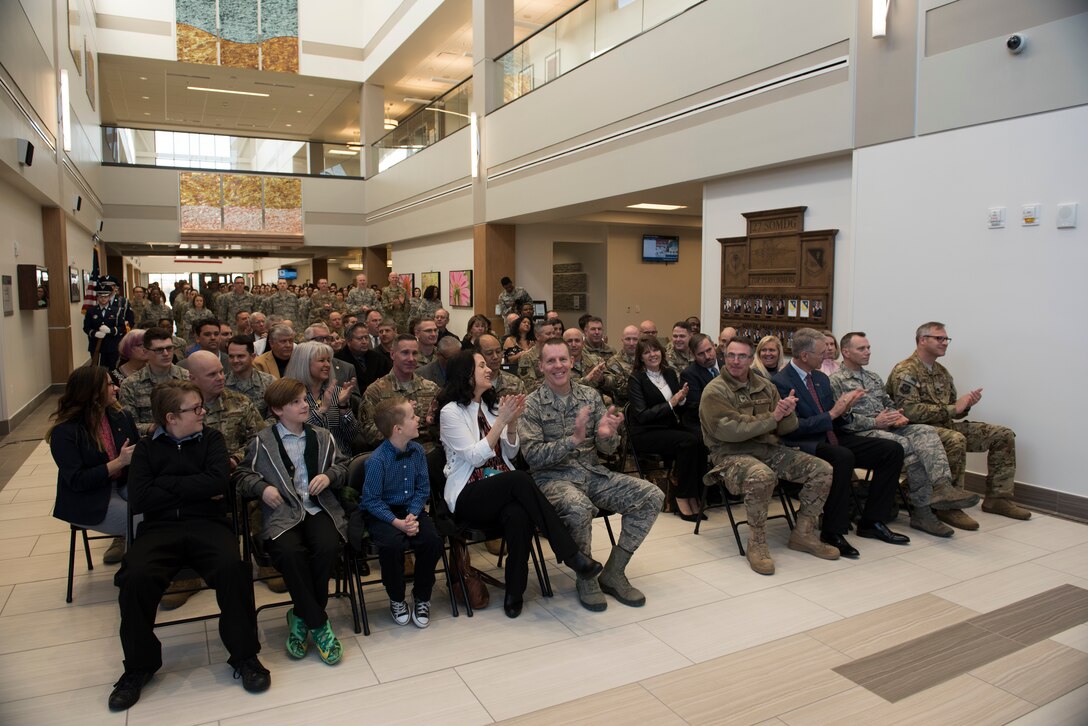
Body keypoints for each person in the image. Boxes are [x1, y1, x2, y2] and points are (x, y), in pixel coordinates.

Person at [109, 381, 269, 711]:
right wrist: (192, 487)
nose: (202, 413)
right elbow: (139, 498)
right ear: (171, 417)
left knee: (233, 569)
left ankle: (245, 656)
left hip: (208, 523)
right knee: (134, 577)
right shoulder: (145, 449)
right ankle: (139, 666)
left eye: (201, 407)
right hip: (159, 528)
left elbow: (217, 483)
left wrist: (164, 485)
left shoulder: (211, 439)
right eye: (194, 409)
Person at [437, 351, 602, 618]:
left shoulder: (490, 407)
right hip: (469, 494)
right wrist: (502, 420)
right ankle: (571, 554)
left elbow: (511, 454)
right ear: (466, 375)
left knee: (518, 515)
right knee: (519, 479)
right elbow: (474, 456)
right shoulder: (451, 412)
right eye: (481, 366)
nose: (488, 369)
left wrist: (511, 424)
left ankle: (515, 591)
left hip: (502, 487)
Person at [520, 338, 664, 612]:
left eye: (563, 359)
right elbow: (533, 456)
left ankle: (614, 571)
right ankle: (586, 577)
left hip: (593, 473)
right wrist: (572, 440)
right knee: (579, 507)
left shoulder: (589, 396)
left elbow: (607, 447)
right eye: (550, 361)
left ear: (572, 361)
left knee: (651, 495)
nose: (558, 365)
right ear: (541, 366)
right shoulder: (532, 404)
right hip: (553, 480)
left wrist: (608, 436)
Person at [700, 337, 839, 574]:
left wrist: (786, 413)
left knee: (822, 469)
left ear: (750, 358)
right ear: (723, 356)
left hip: (767, 449)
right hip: (730, 454)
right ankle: (757, 542)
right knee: (761, 475)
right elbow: (729, 430)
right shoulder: (715, 390)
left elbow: (784, 429)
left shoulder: (765, 385)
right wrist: (772, 418)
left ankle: (803, 533)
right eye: (731, 355)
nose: (735, 361)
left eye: (742, 356)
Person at [236, 378, 349, 665]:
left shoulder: (322, 436)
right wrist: (263, 488)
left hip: (318, 508)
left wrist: (330, 476)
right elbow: (241, 475)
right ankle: (319, 625)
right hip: (283, 514)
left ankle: (301, 615)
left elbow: (343, 466)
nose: (304, 405)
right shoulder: (263, 442)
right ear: (277, 410)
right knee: (288, 552)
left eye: (304, 400)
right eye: (296, 402)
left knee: (327, 546)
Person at [773, 328, 910, 558]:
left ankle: (872, 521)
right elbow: (792, 428)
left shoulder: (820, 378)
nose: (827, 355)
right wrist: (833, 414)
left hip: (831, 434)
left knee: (891, 450)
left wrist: (845, 410)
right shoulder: (780, 382)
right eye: (821, 352)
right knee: (842, 456)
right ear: (805, 355)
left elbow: (834, 416)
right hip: (804, 442)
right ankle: (832, 531)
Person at [831, 332, 979, 537]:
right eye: (861, 349)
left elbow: (888, 403)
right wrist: (876, 421)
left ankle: (943, 486)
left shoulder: (872, 377)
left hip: (888, 425)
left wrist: (897, 415)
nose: (868, 352)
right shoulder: (835, 381)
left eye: (868, 347)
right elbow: (840, 420)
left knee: (926, 432)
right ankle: (922, 511)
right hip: (863, 432)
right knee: (908, 448)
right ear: (846, 352)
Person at [887, 322, 1030, 522]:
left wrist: (966, 404)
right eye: (939, 338)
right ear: (922, 340)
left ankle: (998, 498)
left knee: (1002, 434)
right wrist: (955, 408)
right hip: (916, 431)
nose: (945, 343)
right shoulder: (906, 370)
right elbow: (909, 412)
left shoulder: (942, 372)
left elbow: (953, 411)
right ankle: (949, 504)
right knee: (956, 439)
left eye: (946, 339)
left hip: (944, 426)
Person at [360, 397, 442, 628]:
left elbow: (423, 488)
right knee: (392, 546)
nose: (418, 419)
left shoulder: (416, 451)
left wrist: (413, 515)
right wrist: (397, 522)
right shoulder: (377, 461)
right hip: (383, 511)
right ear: (398, 429)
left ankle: (422, 595)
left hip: (411, 509)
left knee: (431, 541)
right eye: (413, 417)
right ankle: (396, 598)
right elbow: (371, 501)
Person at [48, 366, 139, 565]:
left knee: (159, 506)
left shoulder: (121, 417)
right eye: (108, 385)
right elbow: (78, 481)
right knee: (141, 520)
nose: (115, 388)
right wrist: (119, 462)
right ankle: (139, 573)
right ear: (91, 392)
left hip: (123, 483)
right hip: (87, 497)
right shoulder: (65, 433)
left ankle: (146, 566)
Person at [627, 338, 707, 520]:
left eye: (655, 350)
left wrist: (683, 398)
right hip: (645, 432)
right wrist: (672, 402)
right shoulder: (636, 379)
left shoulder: (669, 373)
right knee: (688, 442)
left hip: (669, 428)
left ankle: (697, 496)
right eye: (646, 352)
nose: (652, 354)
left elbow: (679, 407)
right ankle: (682, 497)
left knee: (700, 440)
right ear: (640, 358)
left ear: (661, 352)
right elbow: (642, 415)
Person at [360, 334, 440, 451]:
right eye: (405, 353)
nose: (411, 359)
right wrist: (403, 435)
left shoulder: (431, 388)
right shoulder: (375, 391)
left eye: (415, 353)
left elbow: (442, 427)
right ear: (393, 354)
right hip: (393, 455)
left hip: (428, 453)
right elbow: (369, 431)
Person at [284, 341, 359, 456]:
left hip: (340, 462)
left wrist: (343, 407)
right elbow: (297, 432)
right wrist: (322, 409)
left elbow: (352, 436)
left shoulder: (337, 392)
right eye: (321, 360)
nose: (328, 365)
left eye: (329, 360)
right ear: (304, 364)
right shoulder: (290, 395)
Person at [118, 327, 191, 436]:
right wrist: (153, 427)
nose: (166, 353)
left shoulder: (187, 377)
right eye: (159, 350)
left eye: (169, 348)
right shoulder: (130, 384)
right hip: (150, 442)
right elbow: (128, 424)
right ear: (145, 352)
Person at [84, 276, 134, 369]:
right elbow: (86, 327)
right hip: (96, 345)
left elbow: (125, 324)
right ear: (97, 297)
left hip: (113, 344)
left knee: (114, 368)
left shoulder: (118, 307)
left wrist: (111, 331)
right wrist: (95, 333)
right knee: (97, 369)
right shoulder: (91, 310)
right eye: (100, 296)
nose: (103, 299)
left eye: (105, 296)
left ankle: (114, 383)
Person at [225, 335, 274, 417]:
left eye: (240, 356)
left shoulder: (269, 382)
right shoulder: (221, 384)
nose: (235, 360)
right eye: (231, 356)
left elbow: (275, 416)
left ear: (252, 357)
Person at [679, 333, 719, 434]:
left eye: (709, 350)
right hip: (702, 426)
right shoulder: (689, 374)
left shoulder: (727, 366)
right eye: (701, 354)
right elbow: (698, 408)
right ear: (693, 355)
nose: (707, 356)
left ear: (714, 346)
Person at [336, 321, 392, 393]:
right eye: (360, 338)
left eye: (366, 337)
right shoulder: (338, 360)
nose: (364, 341)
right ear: (348, 341)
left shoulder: (379, 358)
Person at [477, 333, 524, 398]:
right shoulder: (473, 384)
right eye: (489, 353)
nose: (495, 357)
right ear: (478, 355)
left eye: (498, 351)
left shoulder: (515, 382)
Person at [604, 325, 641, 406]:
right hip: (625, 408)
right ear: (622, 341)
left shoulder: (646, 358)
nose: (631, 343)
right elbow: (621, 390)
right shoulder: (613, 362)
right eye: (628, 339)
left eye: (635, 339)